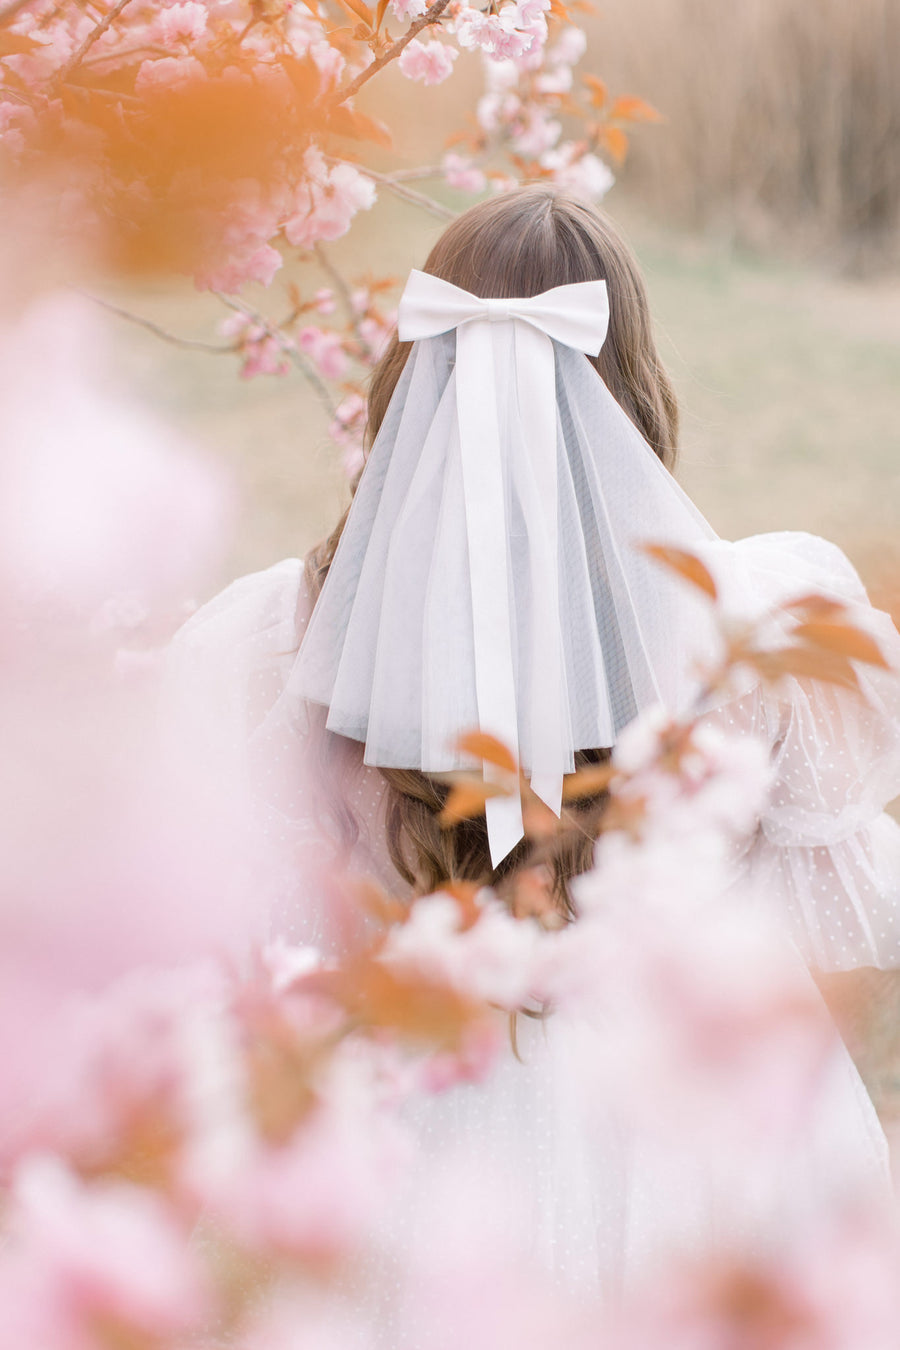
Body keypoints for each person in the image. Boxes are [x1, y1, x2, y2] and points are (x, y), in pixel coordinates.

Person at [165, 185, 900, 1298]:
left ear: (410, 383)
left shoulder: (282, 644)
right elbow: (826, 935)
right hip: (704, 1131)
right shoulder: (766, 629)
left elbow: (234, 959)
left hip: (424, 1144)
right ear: (634, 386)